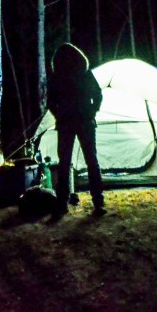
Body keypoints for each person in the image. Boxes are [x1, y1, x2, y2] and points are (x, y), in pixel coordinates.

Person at [46, 42, 105, 219]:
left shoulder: (58, 77)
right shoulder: (84, 74)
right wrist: (91, 112)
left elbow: (50, 101)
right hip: (84, 123)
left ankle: (62, 203)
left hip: (67, 123)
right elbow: (98, 95)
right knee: (91, 161)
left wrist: (59, 115)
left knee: (65, 163)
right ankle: (98, 201)